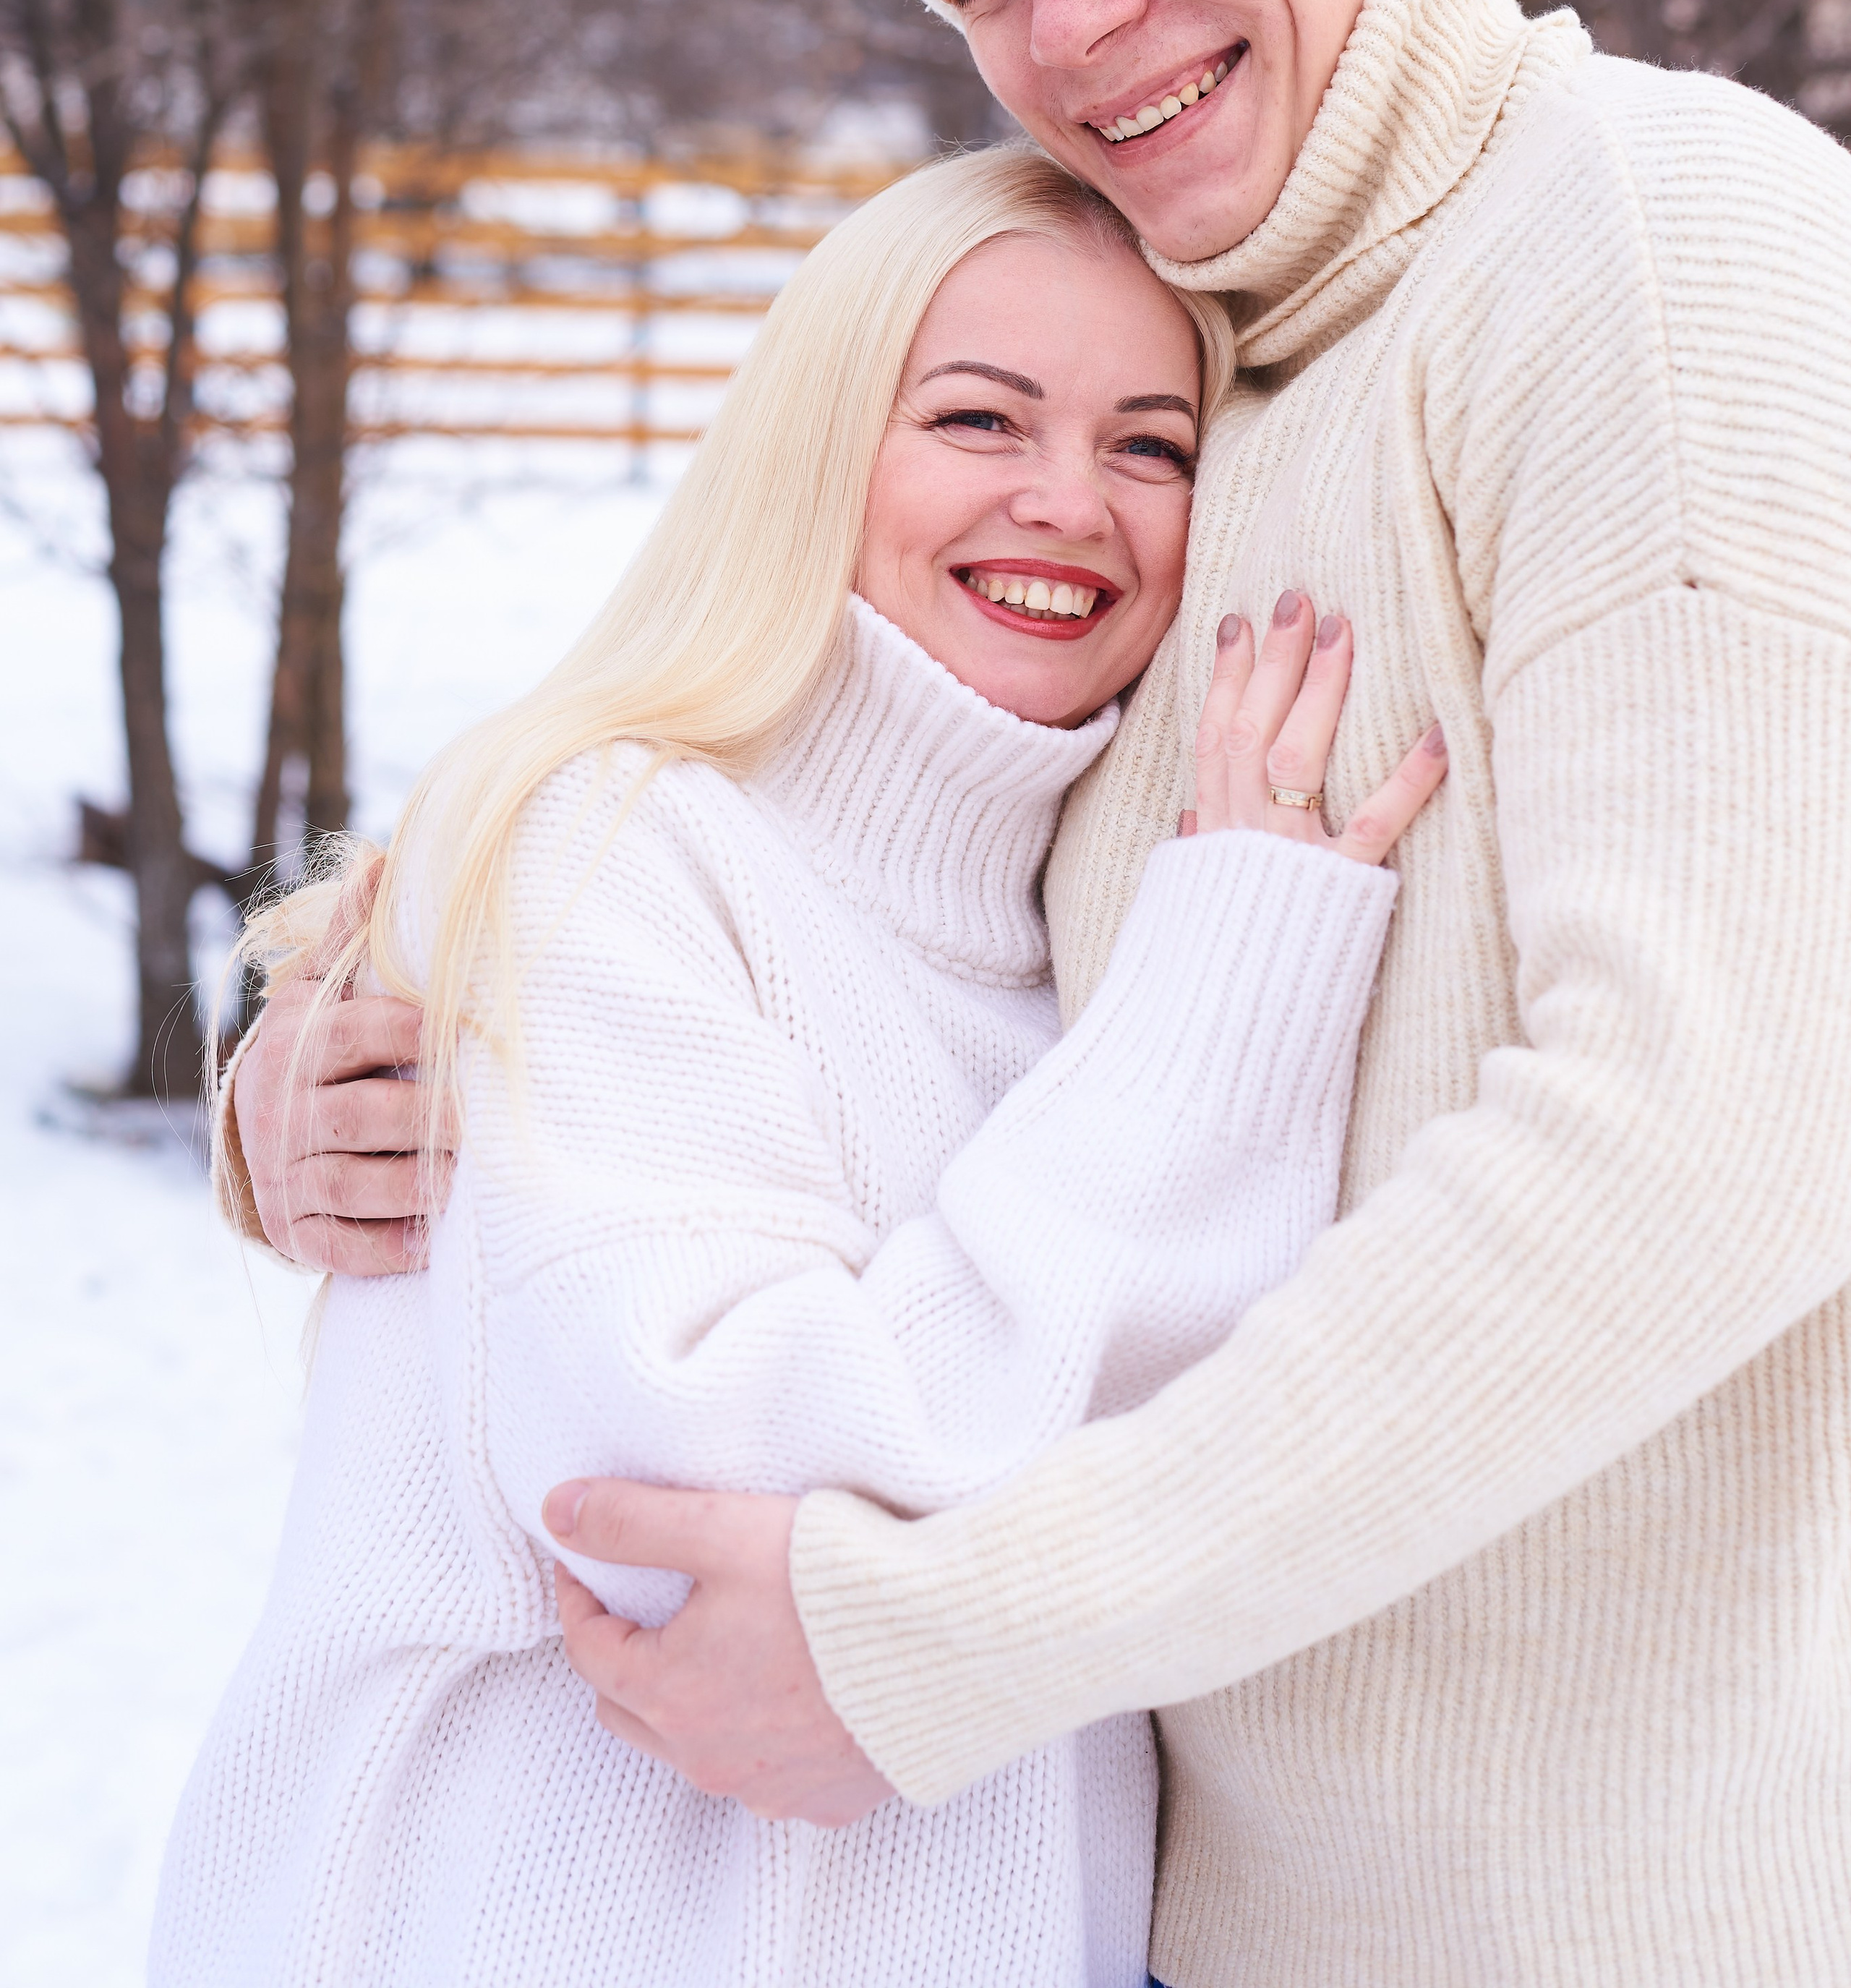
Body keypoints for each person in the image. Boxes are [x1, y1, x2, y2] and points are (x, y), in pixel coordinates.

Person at [228, 0, 1851, 1984]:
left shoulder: (1654, 235)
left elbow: (1724, 1128)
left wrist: (957, 1632)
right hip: (1191, 1910)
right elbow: (869, 908)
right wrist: (374, 1046)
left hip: (1590, 1918)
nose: (1073, 22)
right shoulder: (1227, 354)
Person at [163, 147, 1442, 1987]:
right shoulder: (606, 842)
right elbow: (701, 1493)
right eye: (978, 416)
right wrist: (1226, 994)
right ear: (818, 443)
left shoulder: (1099, 935)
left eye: (1150, 445)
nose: (1067, 500)